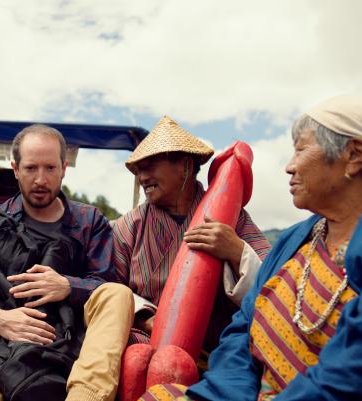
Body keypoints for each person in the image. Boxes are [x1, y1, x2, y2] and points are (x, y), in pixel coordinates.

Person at [140, 94, 362, 401]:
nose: (289, 167)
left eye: (300, 150)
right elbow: (241, 332)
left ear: (355, 155)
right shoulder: (295, 239)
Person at [0, 124, 134, 401]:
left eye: (50, 168)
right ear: (16, 169)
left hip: (70, 331)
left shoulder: (89, 220)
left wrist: (66, 286)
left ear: (64, 168)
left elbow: (105, 282)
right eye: (31, 168)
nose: (40, 179)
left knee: (118, 294)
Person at [112, 116, 270, 351]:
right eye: (139, 170)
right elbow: (110, 288)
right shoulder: (128, 226)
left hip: (222, 344)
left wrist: (237, 252)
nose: (142, 177)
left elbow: (275, 283)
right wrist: (144, 320)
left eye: (150, 166)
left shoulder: (231, 217)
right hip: (147, 341)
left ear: (185, 166)